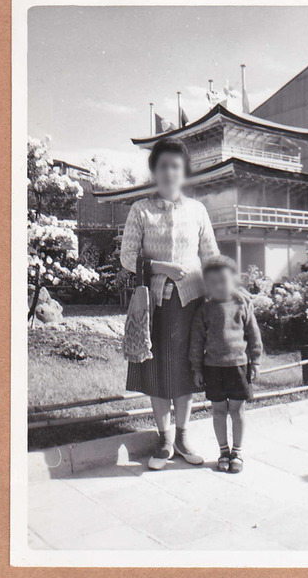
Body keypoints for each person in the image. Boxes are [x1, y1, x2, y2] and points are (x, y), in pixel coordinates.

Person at [120, 137, 220, 470]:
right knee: (159, 371)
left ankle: (183, 437)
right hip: (156, 305)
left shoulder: (198, 210)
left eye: (175, 166)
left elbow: (211, 256)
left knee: (187, 370)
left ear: (183, 171)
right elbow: (127, 257)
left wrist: (225, 291)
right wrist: (162, 267)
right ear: (155, 171)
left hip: (192, 302)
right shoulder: (141, 210)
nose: (169, 172)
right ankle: (164, 441)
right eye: (163, 165)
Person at [189, 255, 263, 473]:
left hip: (238, 366)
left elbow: (253, 335)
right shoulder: (204, 310)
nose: (219, 286)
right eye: (213, 282)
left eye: (223, 280)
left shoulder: (242, 304)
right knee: (219, 411)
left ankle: (237, 452)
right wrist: (197, 368)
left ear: (234, 280)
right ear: (206, 285)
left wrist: (256, 361)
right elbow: (196, 341)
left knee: (238, 411)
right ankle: (223, 451)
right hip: (213, 368)